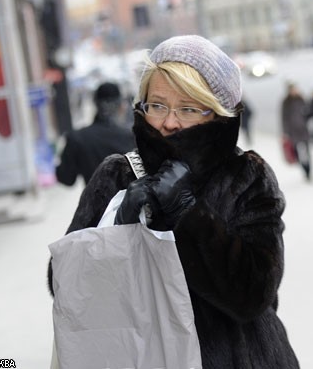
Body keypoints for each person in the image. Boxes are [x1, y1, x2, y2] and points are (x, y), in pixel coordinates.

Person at [48, 35, 299, 369]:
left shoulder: (247, 177)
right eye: (158, 105)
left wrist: (188, 215)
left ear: (217, 114)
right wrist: (117, 229)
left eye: (188, 109)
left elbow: (253, 296)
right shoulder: (117, 174)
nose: (169, 121)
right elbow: (63, 283)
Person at [55, 81, 135, 185]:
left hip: (94, 200)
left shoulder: (77, 138)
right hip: (129, 200)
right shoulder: (132, 137)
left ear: (95, 103)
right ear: (120, 105)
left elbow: (66, 178)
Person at [281, 81, 312, 181]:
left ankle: (309, 171)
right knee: (297, 152)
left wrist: (306, 119)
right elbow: (284, 118)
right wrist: (285, 132)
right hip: (293, 131)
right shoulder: (286, 102)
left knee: (307, 151)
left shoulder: (302, 99)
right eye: (293, 90)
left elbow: (309, 112)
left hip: (303, 130)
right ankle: (303, 167)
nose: (295, 91)